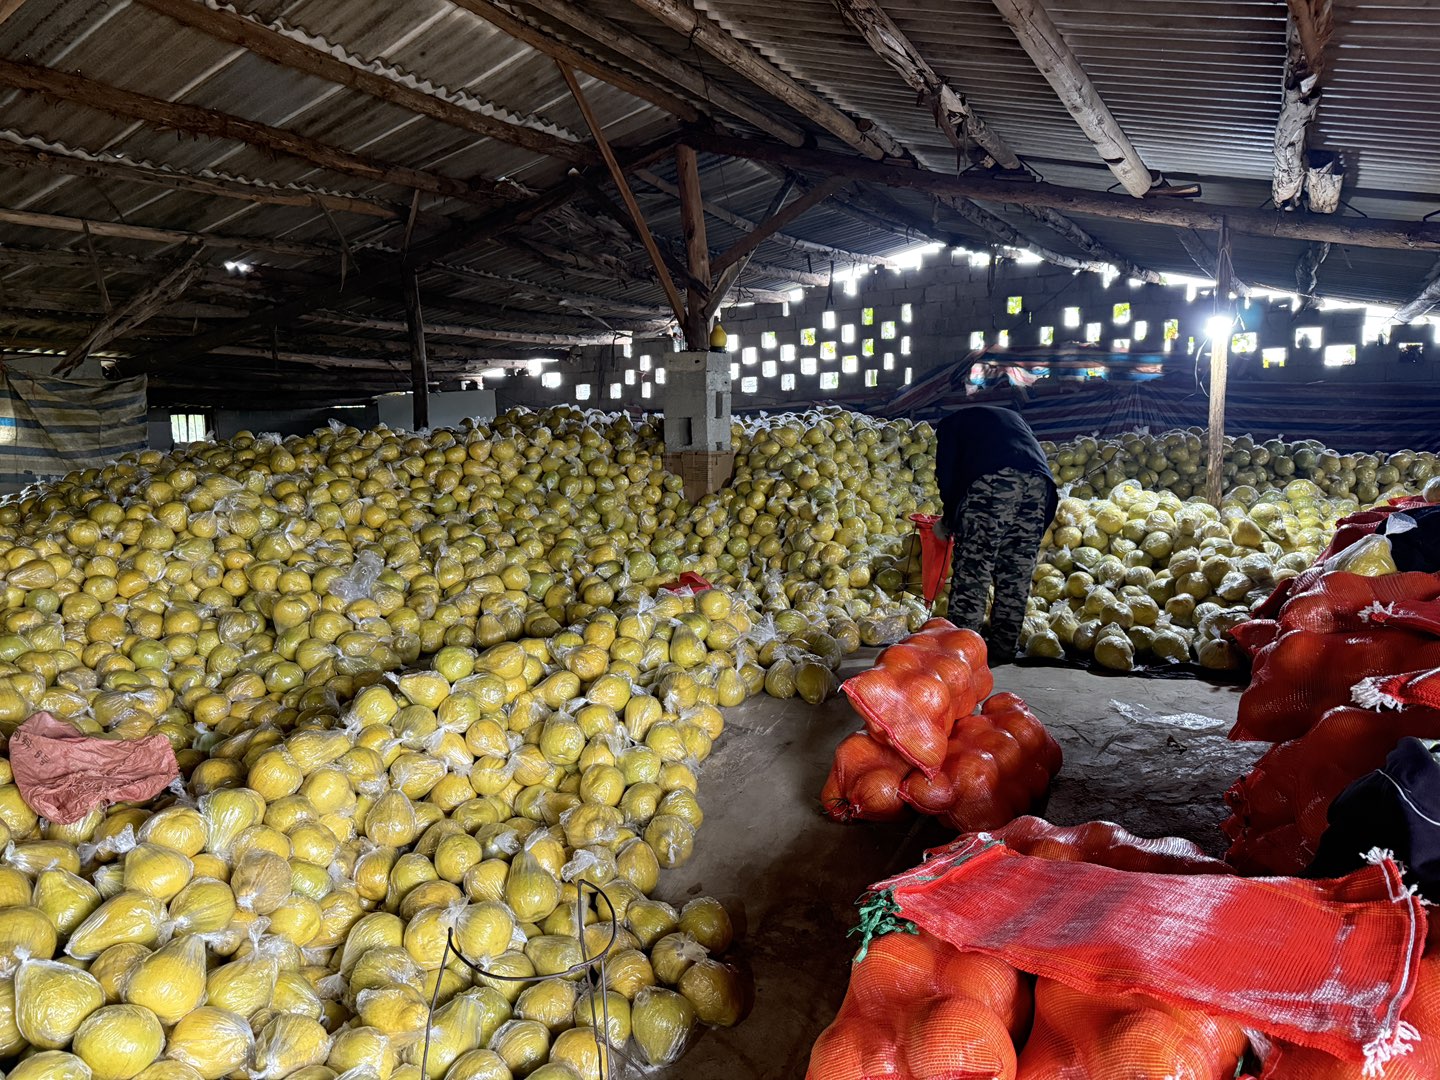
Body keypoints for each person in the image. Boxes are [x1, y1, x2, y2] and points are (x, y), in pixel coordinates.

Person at [933, 405, 1058, 662]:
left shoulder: (948, 426)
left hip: (995, 482)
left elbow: (946, 474)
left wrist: (949, 518)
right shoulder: (1011, 419)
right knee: (1016, 572)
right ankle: (1003, 648)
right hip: (1039, 484)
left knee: (974, 570)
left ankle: (961, 654)